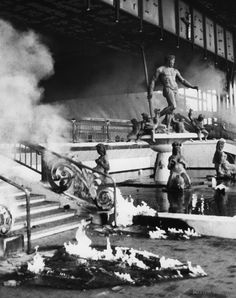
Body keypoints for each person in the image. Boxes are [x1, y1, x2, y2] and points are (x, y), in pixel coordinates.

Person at [148, 55, 198, 131]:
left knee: (171, 111)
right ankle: (158, 115)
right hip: (168, 88)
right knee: (173, 106)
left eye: (173, 62)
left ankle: (167, 127)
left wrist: (192, 86)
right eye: (171, 62)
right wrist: (150, 91)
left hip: (175, 89)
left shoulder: (175, 70)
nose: (172, 64)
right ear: (167, 61)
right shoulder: (161, 69)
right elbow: (153, 80)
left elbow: (183, 81)